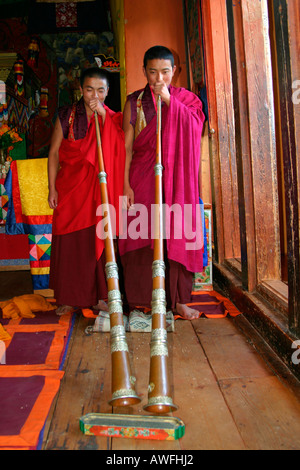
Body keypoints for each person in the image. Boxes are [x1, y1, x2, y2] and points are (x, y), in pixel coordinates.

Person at [118, 45, 205, 320]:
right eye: (153, 72)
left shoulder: (187, 100)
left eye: (165, 72)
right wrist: (125, 186)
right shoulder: (133, 101)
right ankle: (141, 300)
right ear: (144, 71)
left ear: (174, 71)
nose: (159, 79)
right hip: (142, 175)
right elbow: (127, 147)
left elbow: (195, 129)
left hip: (177, 178)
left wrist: (169, 101)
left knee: (176, 233)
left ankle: (178, 301)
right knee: (141, 234)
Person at [48, 67, 125, 315]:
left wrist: (102, 115)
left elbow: (120, 152)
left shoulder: (113, 118)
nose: (94, 95)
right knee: (70, 244)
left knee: (98, 240)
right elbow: (54, 153)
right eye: (89, 89)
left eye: (100, 90)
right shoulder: (67, 115)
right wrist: (52, 188)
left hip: (98, 191)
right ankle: (68, 298)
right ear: (80, 89)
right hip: (70, 189)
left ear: (107, 91)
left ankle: (99, 296)